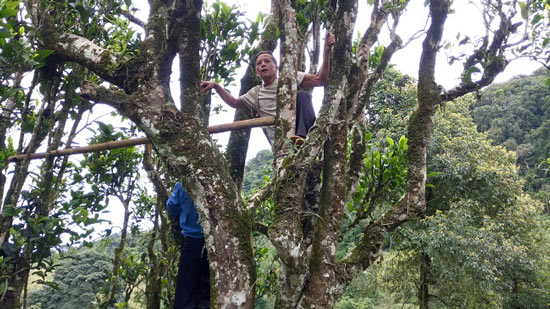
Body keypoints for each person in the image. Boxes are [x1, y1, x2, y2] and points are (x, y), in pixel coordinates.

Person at [201, 33, 335, 145]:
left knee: (303, 96)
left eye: (267, 61)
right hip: (279, 140)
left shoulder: (289, 78)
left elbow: (320, 80)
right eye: (259, 63)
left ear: (276, 68)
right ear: (257, 73)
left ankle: (302, 138)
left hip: (300, 133)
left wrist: (326, 52)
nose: (263, 65)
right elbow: (234, 103)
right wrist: (216, 86)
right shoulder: (256, 92)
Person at [166, 182, 210, 309]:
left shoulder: (183, 184)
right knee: (209, 283)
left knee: (186, 287)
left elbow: (171, 207)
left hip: (192, 240)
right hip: (213, 241)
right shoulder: (213, 182)